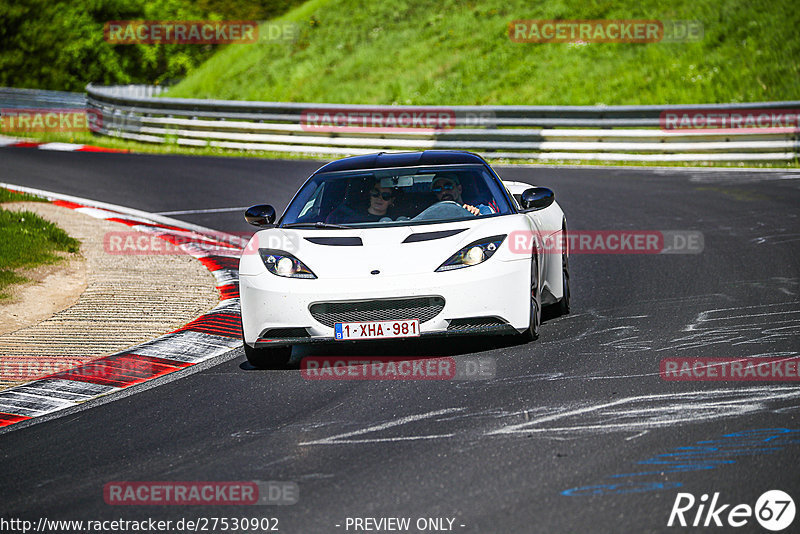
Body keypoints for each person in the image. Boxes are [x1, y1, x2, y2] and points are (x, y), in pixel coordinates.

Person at [326, 180, 397, 223]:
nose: (379, 198)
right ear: (370, 195)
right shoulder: (351, 217)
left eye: (385, 196)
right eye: (375, 193)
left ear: (391, 201)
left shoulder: (396, 221)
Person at [431, 173, 497, 215]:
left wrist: (478, 215)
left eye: (448, 187)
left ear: (459, 189)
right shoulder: (432, 215)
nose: (444, 192)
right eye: (438, 189)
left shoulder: (482, 209)